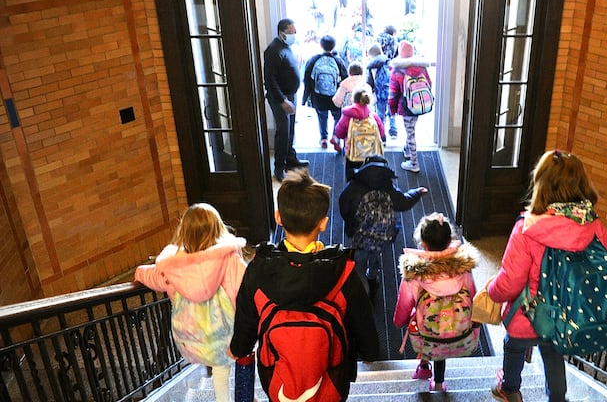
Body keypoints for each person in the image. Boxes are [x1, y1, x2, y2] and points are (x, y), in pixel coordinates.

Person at [487, 150, 607, 402]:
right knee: (554, 356)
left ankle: (510, 390)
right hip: (564, 317)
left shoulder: (526, 229)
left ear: (541, 184)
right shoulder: (591, 223)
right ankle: (557, 398)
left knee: (513, 347)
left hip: (527, 317)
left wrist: (491, 290)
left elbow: (510, 284)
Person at [229, 169, 379, 402]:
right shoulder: (342, 271)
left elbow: (246, 316)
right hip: (333, 378)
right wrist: (370, 353)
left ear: (278, 217)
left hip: (279, 381)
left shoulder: (259, 269)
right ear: (323, 224)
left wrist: (239, 348)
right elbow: (361, 316)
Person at [134, 203, 248, 402]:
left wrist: (139, 272)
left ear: (184, 232)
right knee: (230, 365)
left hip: (195, 336)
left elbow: (155, 277)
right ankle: (246, 395)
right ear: (218, 228)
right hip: (227, 332)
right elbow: (243, 288)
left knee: (216, 367)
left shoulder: (173, 266)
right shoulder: (228, 258)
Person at [392, 212, 479, 393]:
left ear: (423, 244)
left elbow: (405, 302)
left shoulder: (415, 272)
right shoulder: (462, 267)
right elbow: (472, 294)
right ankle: (439, 384)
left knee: (423, 328)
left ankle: (424, 368)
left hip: (427, 328)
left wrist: (400, 321)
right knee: (441, 348)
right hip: (456, 327)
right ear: (450, 240)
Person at [338, 154, 427, 290]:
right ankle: (372, 276)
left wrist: (350, 224)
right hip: (382, 237)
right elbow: (403, 202)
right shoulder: (388, 188)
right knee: (374, 256)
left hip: (359, 236)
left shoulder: (353, 187)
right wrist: (417, 192)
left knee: (358, 259)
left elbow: (344, 207)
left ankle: (360, 285)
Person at [264, 18, 309, 182]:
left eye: (294, 32)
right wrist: (283, 100)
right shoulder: (273, 50)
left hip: (290, 95)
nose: (293, 35)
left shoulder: (286, 47)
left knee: (290, 130)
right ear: (281, 33)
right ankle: (279, 167)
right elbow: (270, 79)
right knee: (283, 131)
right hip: (280, 98)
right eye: (291, 32)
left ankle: (291, 159)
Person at [388, 40, 432, 173]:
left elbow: (393, 93)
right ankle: (407, 151)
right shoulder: (422, 68)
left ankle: (414, 163)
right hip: (419, 104)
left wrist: (392, 109)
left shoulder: (397, 71)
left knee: (410, 133)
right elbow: (429, 84)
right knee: (411, 128)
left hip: (406, 106)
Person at [302, 35, 348, 149]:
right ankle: (335, 136)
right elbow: (345, 78)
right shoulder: (338, 60)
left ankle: (323, 139)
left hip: (319, 97)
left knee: (322, 117)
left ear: (321, 45)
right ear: (334, 46)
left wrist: (306, 97)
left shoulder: (314, 59)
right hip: (335, 97)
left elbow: (307, 78)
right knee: (337, 116)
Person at [333, 87, 385, 181]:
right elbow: (381, 133)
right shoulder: (374, 116)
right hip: (371, 155)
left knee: (352, 179)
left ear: (353, 99)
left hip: (353, 154)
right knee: (370, 177)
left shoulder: (347, 116)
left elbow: (339, 133)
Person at [366, 43, 398, 140]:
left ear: (371, 55)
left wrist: (370, 93)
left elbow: (369, 82)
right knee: (392, 112)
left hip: (380, 94)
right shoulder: (389, 62)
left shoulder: (372, 66)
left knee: (380, 114)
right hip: (392, 92)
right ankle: (393, 131)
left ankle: (382, 136)